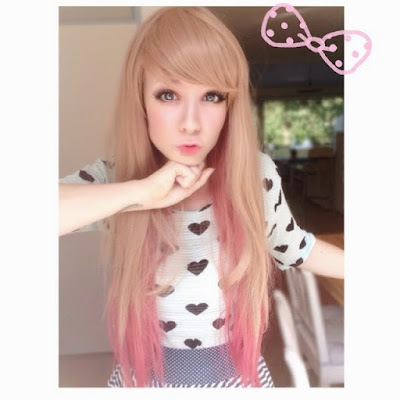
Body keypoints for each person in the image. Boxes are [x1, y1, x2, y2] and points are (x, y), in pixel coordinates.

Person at [59, 6, 344, 388]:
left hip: (236, 379)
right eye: (168, 95)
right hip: (142, 381)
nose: (191, 123)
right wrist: (140, 192)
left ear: (230, 105)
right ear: (140, 100)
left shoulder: (253, 176)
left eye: (212, 96)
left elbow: (295, 247)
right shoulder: (117, 179)